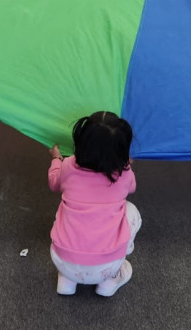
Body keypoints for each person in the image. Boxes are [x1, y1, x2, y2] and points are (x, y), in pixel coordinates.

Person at [48, 111, 141, 297]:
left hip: (62, 260)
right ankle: (108, 283)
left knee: (64, 213)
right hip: (106, 266)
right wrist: (126, 165)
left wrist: (56, 160)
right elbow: (132, 188)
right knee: (131, 211)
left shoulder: (68, 165)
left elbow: (54, 184)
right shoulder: (124, 174)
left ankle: (67, 282)